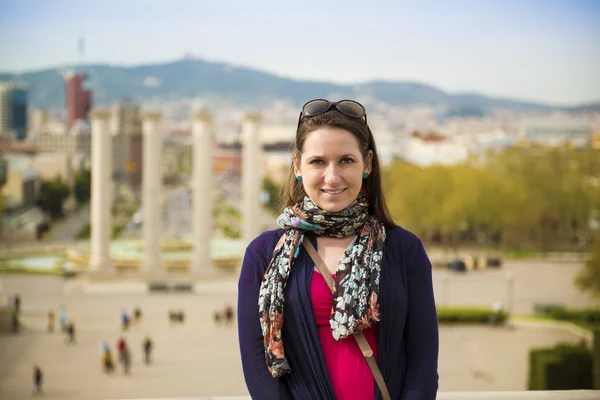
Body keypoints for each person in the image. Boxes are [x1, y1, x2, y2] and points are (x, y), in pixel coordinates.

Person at [237, 99, 439, 399]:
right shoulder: (263, 253)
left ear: (367, 164)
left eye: (346, 160)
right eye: (318, 161)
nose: (332, 177)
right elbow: (257, 367)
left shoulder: (405, 250)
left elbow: (422, 364)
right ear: (298, 166)